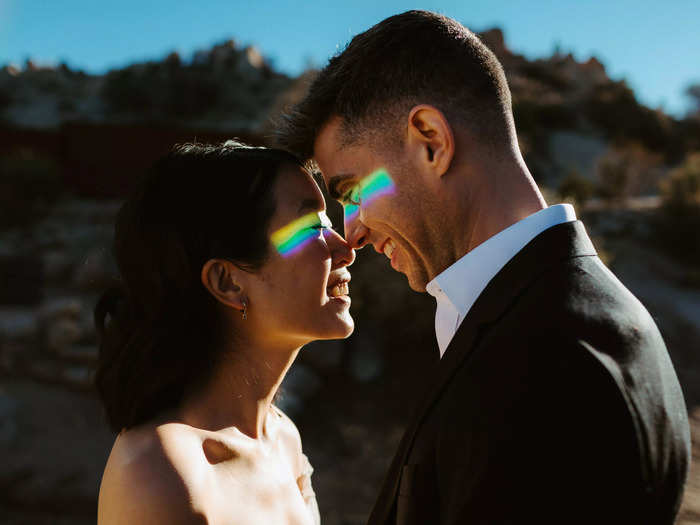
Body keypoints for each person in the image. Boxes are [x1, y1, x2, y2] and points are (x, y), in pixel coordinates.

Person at [276, 10, 691, 525]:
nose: (352, 231)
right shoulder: (558, 318)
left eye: (354, 190)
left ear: (431, 140)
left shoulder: (556, 365)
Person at [94, 141, 355, 525]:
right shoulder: (160, 476)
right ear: (227, 281)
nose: (345, 249)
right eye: (311, 227)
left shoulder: (283, 440)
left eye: (329, 224)